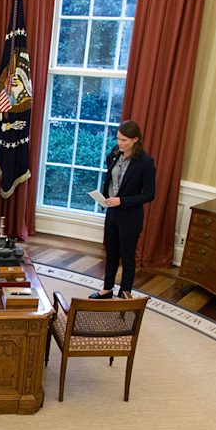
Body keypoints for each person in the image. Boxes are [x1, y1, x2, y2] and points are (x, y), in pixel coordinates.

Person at [90, 120, 155, 299]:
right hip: (112, 212)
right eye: (118, 138)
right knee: (111, 252)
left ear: (135, 139)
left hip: (130, 215)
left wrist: (122, 201)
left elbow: (149, 195)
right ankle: (107, 289)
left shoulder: (145, 162)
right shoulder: (114, 154)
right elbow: (111, 180)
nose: (119, 143)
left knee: (127, 256)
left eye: (124, 140)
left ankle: (124, 293)